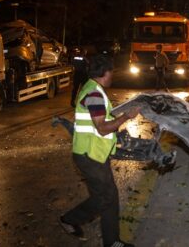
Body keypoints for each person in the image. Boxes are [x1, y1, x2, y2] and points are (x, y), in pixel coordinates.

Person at [60, 54, 140, 247]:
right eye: (112, 71)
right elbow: (102, 127)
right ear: (105, 72)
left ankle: (108, 240)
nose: (113, 75)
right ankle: (72, 220)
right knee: (107, 198)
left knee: (107, 197)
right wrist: (126, 117)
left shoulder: (93, 88)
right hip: (90, 156)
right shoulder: (94, 94)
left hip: (94, 153)